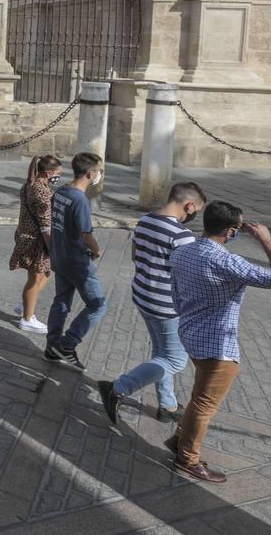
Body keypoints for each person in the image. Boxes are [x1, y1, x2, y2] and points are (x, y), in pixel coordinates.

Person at [165, 202, 271, 483]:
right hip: (218, 347)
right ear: (231, 231)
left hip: (190, 334)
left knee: (199, 396)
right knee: (204, 404)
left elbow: (176, 297)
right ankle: (188, 459)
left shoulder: (182, 252)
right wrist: (266, 240)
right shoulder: (228, 262)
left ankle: (180, 439)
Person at [97, 182, 206, 426]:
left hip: (143, 295)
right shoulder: (183, 236)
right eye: (196, 209)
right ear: (189, 205)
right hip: (167, 305)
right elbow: (189, 276)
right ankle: (117, 388)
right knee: (175, 360)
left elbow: (137, 255)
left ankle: (167, 405)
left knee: (161, 354)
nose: (194, 214)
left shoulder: (145, 220)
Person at [43, 152, 106, 371]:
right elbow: (86, 234)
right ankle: (67, 345)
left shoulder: (61, 191)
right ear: (91, 173)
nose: (98, 175)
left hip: (60, 256)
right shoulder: (80, 200)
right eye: (98, 171)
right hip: (77, 261)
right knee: (98, 305)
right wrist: (96, 249)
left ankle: (52, 346)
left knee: (61, 302)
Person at [8, 154, 61, 333]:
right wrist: (54, 249)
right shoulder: (42, 192)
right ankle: (27, 318)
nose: (59, 176)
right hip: (36, 241)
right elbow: (46, 226)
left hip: (26, 235)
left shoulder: (30, 184)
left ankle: (27, 304)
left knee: (46, 272)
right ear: (48, 173)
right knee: (36, 277)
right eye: (58, 173)